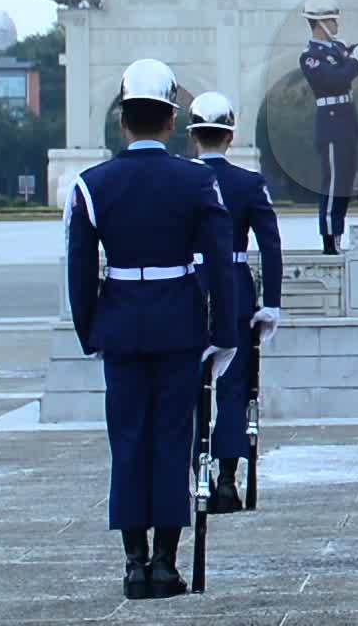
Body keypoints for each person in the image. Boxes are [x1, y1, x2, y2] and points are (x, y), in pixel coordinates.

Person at [66, 59, 241, 600]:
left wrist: (89, 331)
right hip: (179, 325)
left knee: (128, 442)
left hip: (120, 323)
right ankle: (166, 561)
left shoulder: (93, 184)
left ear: (123, 122)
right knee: (172, 441)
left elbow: (79, 269)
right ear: (169, 122)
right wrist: (225, 333)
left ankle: (133, 561)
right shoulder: (196, 180)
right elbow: (220, 263)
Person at [186, 91, 285, 510]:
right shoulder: (249, 184)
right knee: (232, 385)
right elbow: (272, 246)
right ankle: (227, 479)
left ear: (193, 137)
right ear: (230, 137)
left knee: (191, 387)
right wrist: (272, 303)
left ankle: (198, 473)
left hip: (188, 285)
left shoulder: (180, 178)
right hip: (235, 285)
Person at [300, 0, 358, 255]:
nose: (336, 26)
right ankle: (329, 239)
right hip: (331, 124)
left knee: (344, 184)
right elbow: (337, 80)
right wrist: (356, 59)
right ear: (320, 23)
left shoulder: (336, 50)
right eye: (332, 21)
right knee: (333, 184)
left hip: (346, 122)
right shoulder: (311, 57)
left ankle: (339, 234)